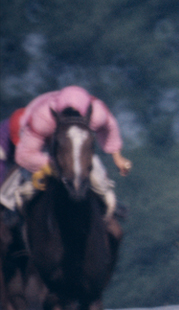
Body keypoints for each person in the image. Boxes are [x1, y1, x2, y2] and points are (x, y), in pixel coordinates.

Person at [0, 86, 132, 234]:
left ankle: (109, 199)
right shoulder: (43, 117)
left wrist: (117, 157)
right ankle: (12, 206)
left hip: (77, 145)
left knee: (94, 166)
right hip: (45, 145)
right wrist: (46, 165)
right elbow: (25, 154)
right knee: (26, 176)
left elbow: (109, 126)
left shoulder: (97, 113)